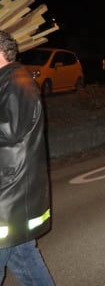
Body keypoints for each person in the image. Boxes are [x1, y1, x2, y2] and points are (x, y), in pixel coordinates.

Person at [0, 30, 55, 285]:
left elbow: (11, 129)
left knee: (21, 254)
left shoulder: (16, 83)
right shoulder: (7, 81)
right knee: (24, 256)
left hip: (9, 192)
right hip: (11, 192)